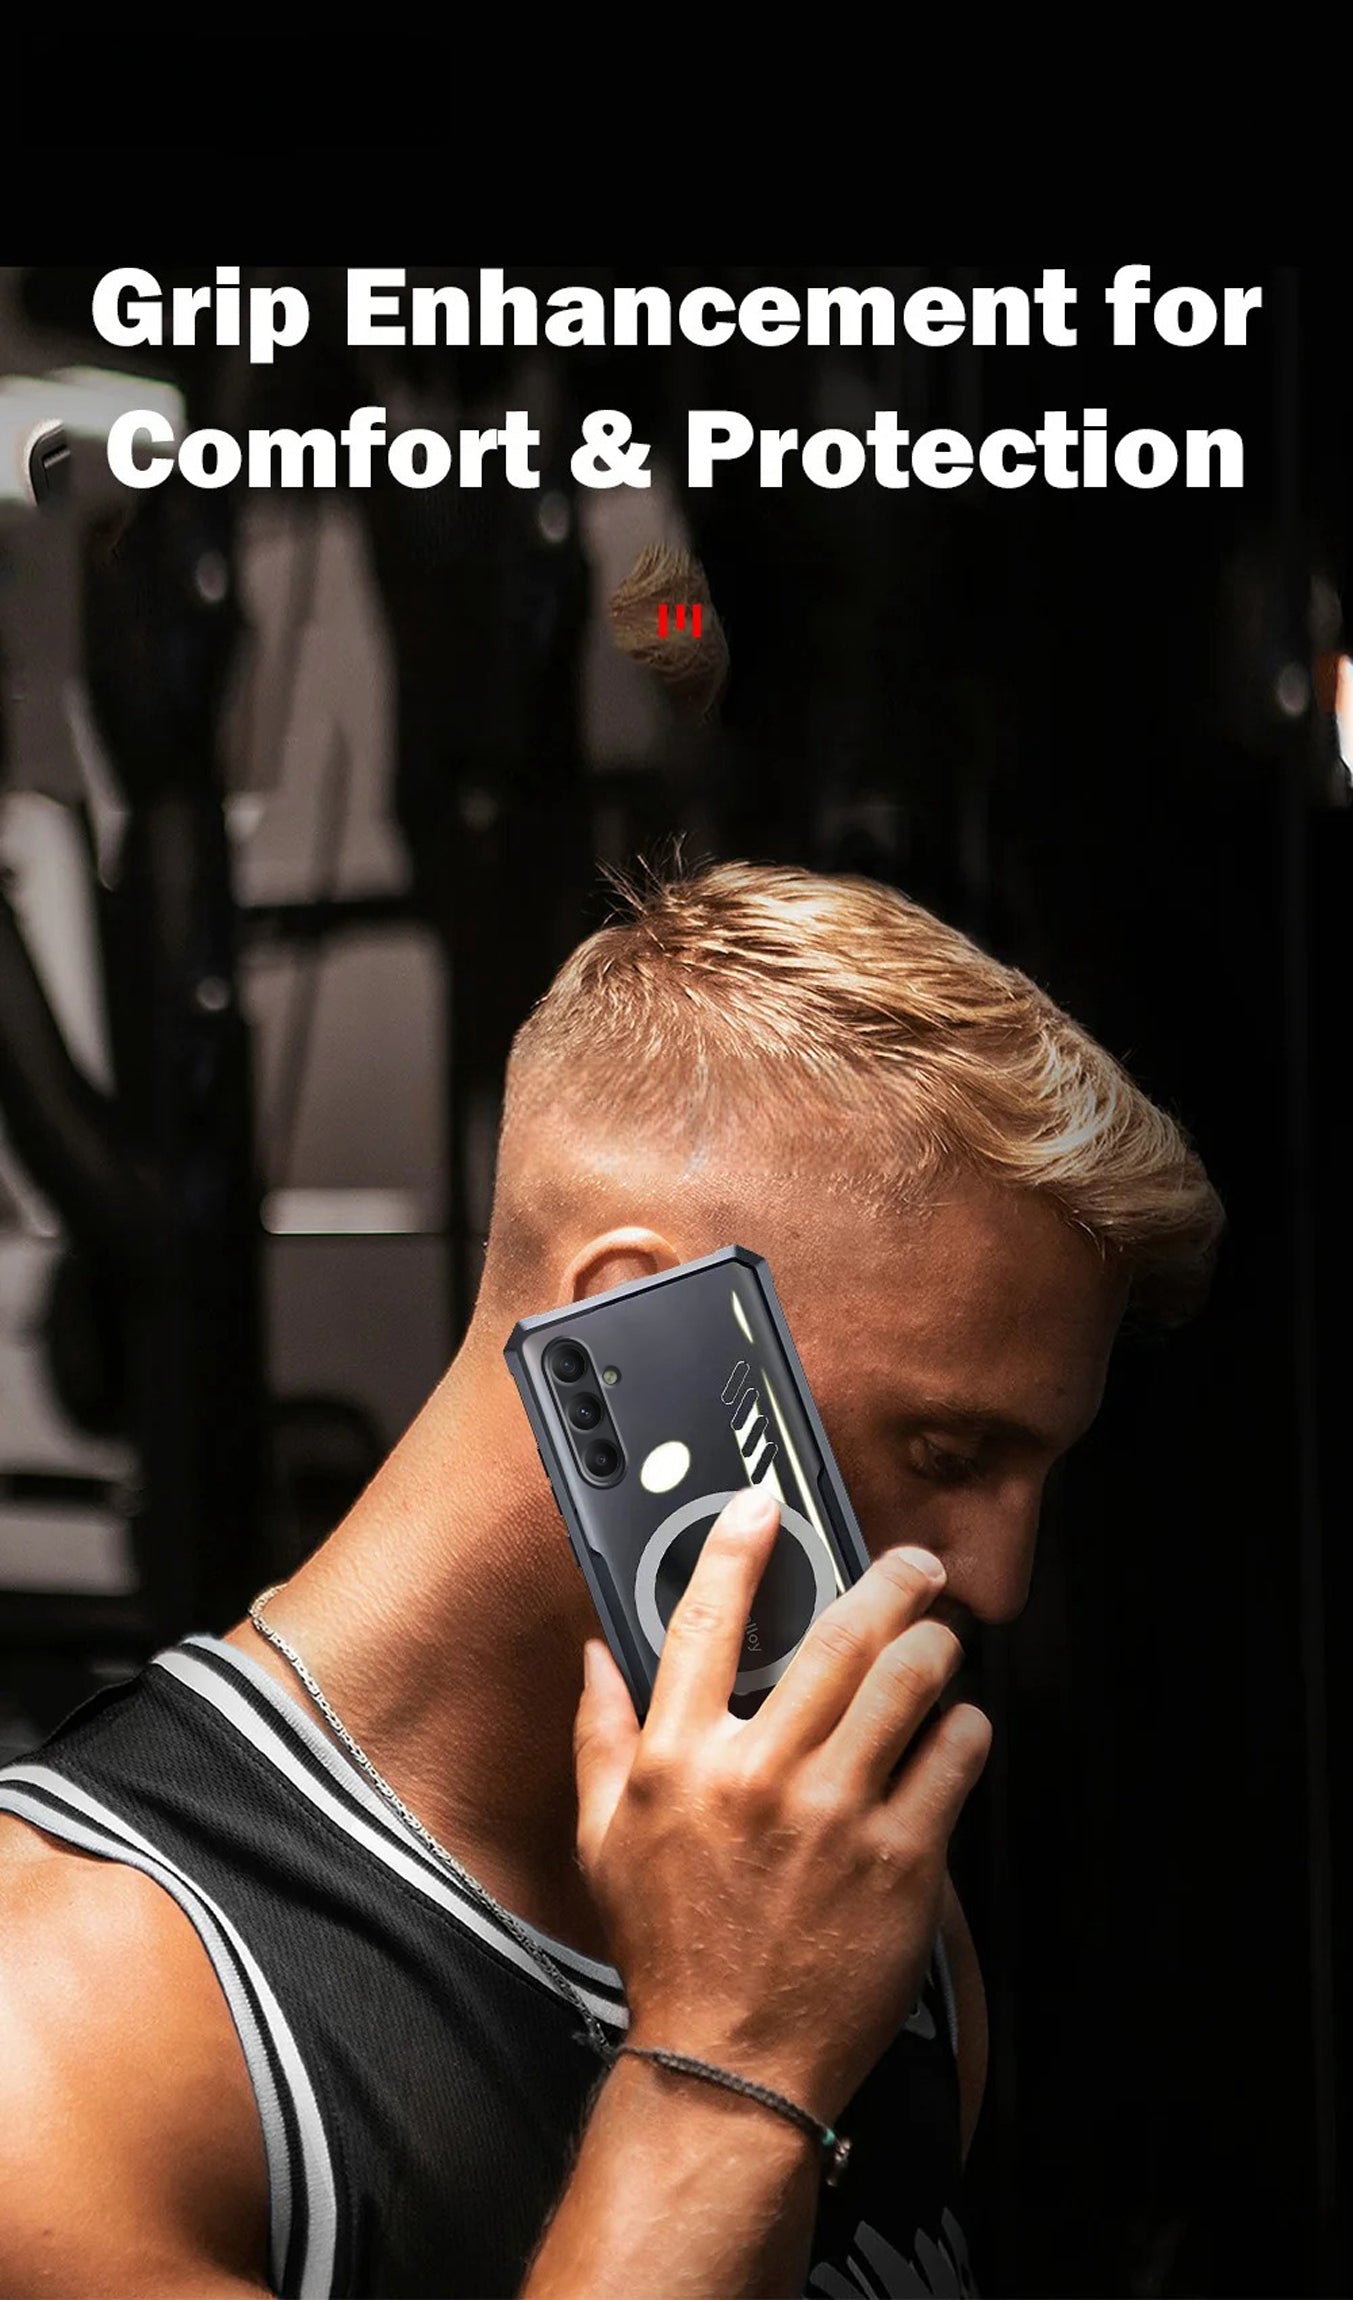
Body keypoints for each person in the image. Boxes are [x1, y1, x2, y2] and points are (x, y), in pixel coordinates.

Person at [0, 861, 1223, 2300]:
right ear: (634, 1323)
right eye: (948, 1451)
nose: (1000, 1581)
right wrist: (728, 2066)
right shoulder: (68, 2017)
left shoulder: (863, 1903)